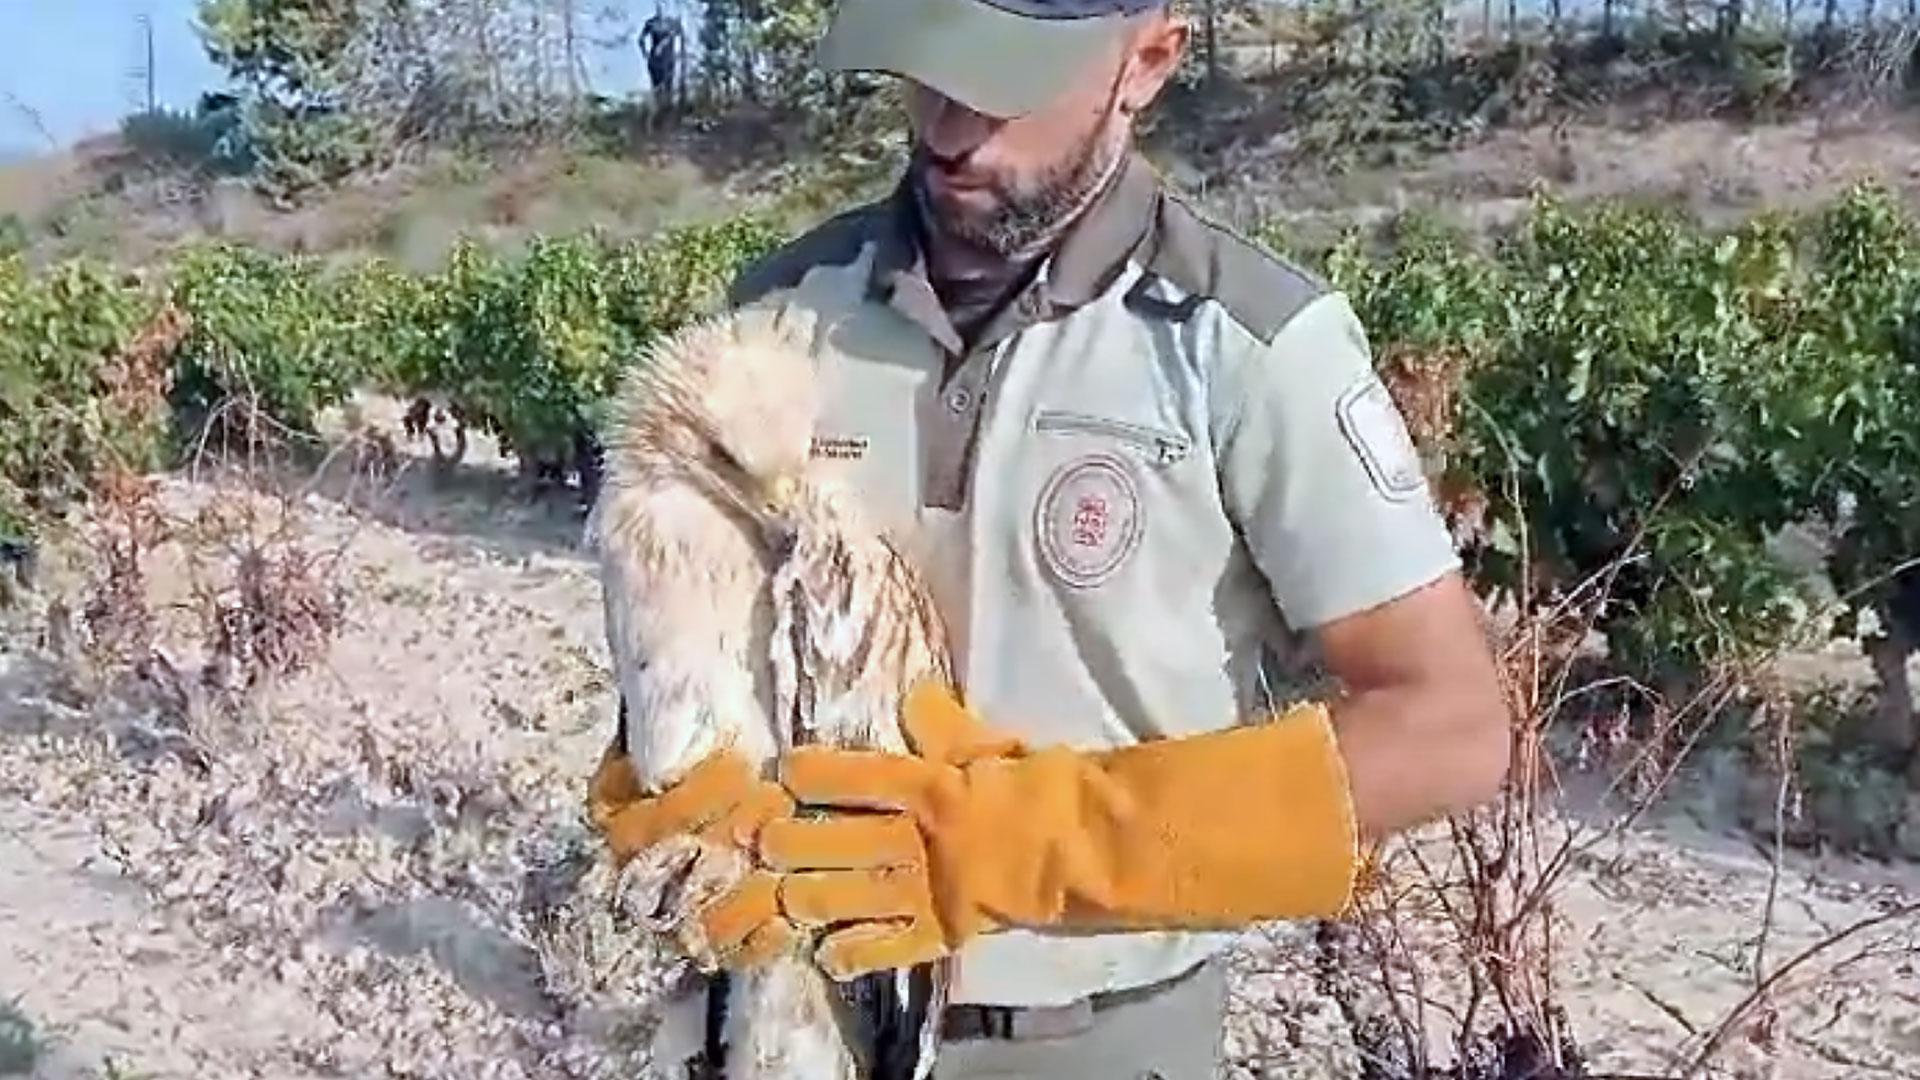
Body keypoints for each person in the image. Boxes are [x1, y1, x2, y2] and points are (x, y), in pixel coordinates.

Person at [590, 0, 1512, 1075]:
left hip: (1101, 1040)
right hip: (797, 1017)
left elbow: (1449, 731)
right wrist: (668, 763)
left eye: (1004, 84)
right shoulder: (782, 315)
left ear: (1148, 60)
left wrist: (1030, 845)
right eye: (929, 70)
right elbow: (702, 611)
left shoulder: (1252, 348)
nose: (948, 129)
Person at [639, 4, 684, 114]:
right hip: (656, 61)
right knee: (657, 88)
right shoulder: (651, 23)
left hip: (669, 60)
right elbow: (640, 39)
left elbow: (681, 35)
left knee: (668, 87)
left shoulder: (672, 23)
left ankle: (668, 113)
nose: (661, 9)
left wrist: (680, 53)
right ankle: (659, 114)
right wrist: (646, 54)